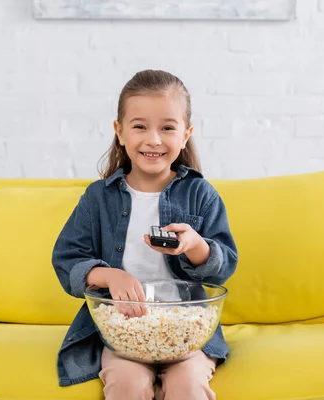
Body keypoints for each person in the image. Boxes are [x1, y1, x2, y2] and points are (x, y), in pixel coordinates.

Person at [52, 69, 238, 400]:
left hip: (187, 333)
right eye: (140, 126)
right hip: (121, 332)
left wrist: (195, 246)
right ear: (119, 132)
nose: (154, 139)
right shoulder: (98, 198)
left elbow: (224, 265)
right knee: (126, 386)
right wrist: (108, 276)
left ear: (186, 135)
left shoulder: (201, 194)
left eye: (167, 127)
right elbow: (67, 259)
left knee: (188, 387)